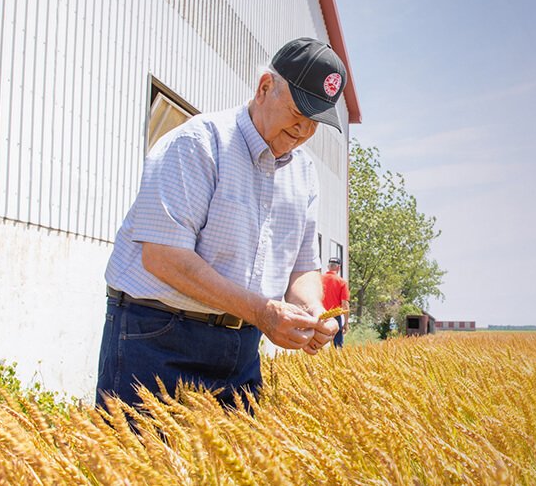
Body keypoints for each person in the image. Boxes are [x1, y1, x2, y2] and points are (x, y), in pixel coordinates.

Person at [98, 37, 348, 409]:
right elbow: (163, 257)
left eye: (315, 122)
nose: (303, 131)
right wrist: (262, 312)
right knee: (143, 465)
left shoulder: (305, 173)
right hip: (157, 337)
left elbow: (302, 267)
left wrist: (312, 310)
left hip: (241, 347)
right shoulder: (198, 143)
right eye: (298, 113)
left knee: (230, 468)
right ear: (265, 87)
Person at [321, 257, 350, 348]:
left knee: (317, 345)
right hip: (335, 316)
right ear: (338, 268)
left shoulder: (318, 279)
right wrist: (345, 323)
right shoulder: (342, 282)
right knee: (337, 347)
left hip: (319, 315)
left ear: (328, 267)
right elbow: (345, 304)